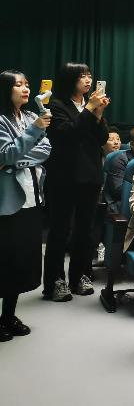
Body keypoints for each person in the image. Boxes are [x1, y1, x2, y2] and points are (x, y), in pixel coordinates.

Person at [43, 62, 110, 301]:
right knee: (60, 230)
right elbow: (67, 134)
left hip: (90, 175)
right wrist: (89, 109)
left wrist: (98, 115)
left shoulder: (90, 106)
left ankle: (80, 275)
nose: (88, 79)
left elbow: (101, 139)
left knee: (85, 230)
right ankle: (55, 281)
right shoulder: (56, 105)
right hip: (64, 176)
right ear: (69, 79)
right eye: (82, 76)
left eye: (89, 75)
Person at [0, 71, 52, 340]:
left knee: (21, 262)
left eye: (27, 84)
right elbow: (6, 153)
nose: (25, 89)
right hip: (7, 202)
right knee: (4, 262)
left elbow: (46, 150)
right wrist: (33, 134)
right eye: (18, 84)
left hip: (32, 199)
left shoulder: (31, 116)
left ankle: (8, 315)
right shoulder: (1, 120)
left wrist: (16, 160)